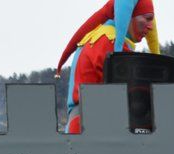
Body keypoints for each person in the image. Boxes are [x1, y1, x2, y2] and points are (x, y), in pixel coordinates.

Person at [57, 0, 160, 133]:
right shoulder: (108, 41)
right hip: (92, 129)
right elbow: (135, 92)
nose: (151, 27)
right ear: (128, 15)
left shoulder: (100, 36)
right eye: (147, 19)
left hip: (90, 125)